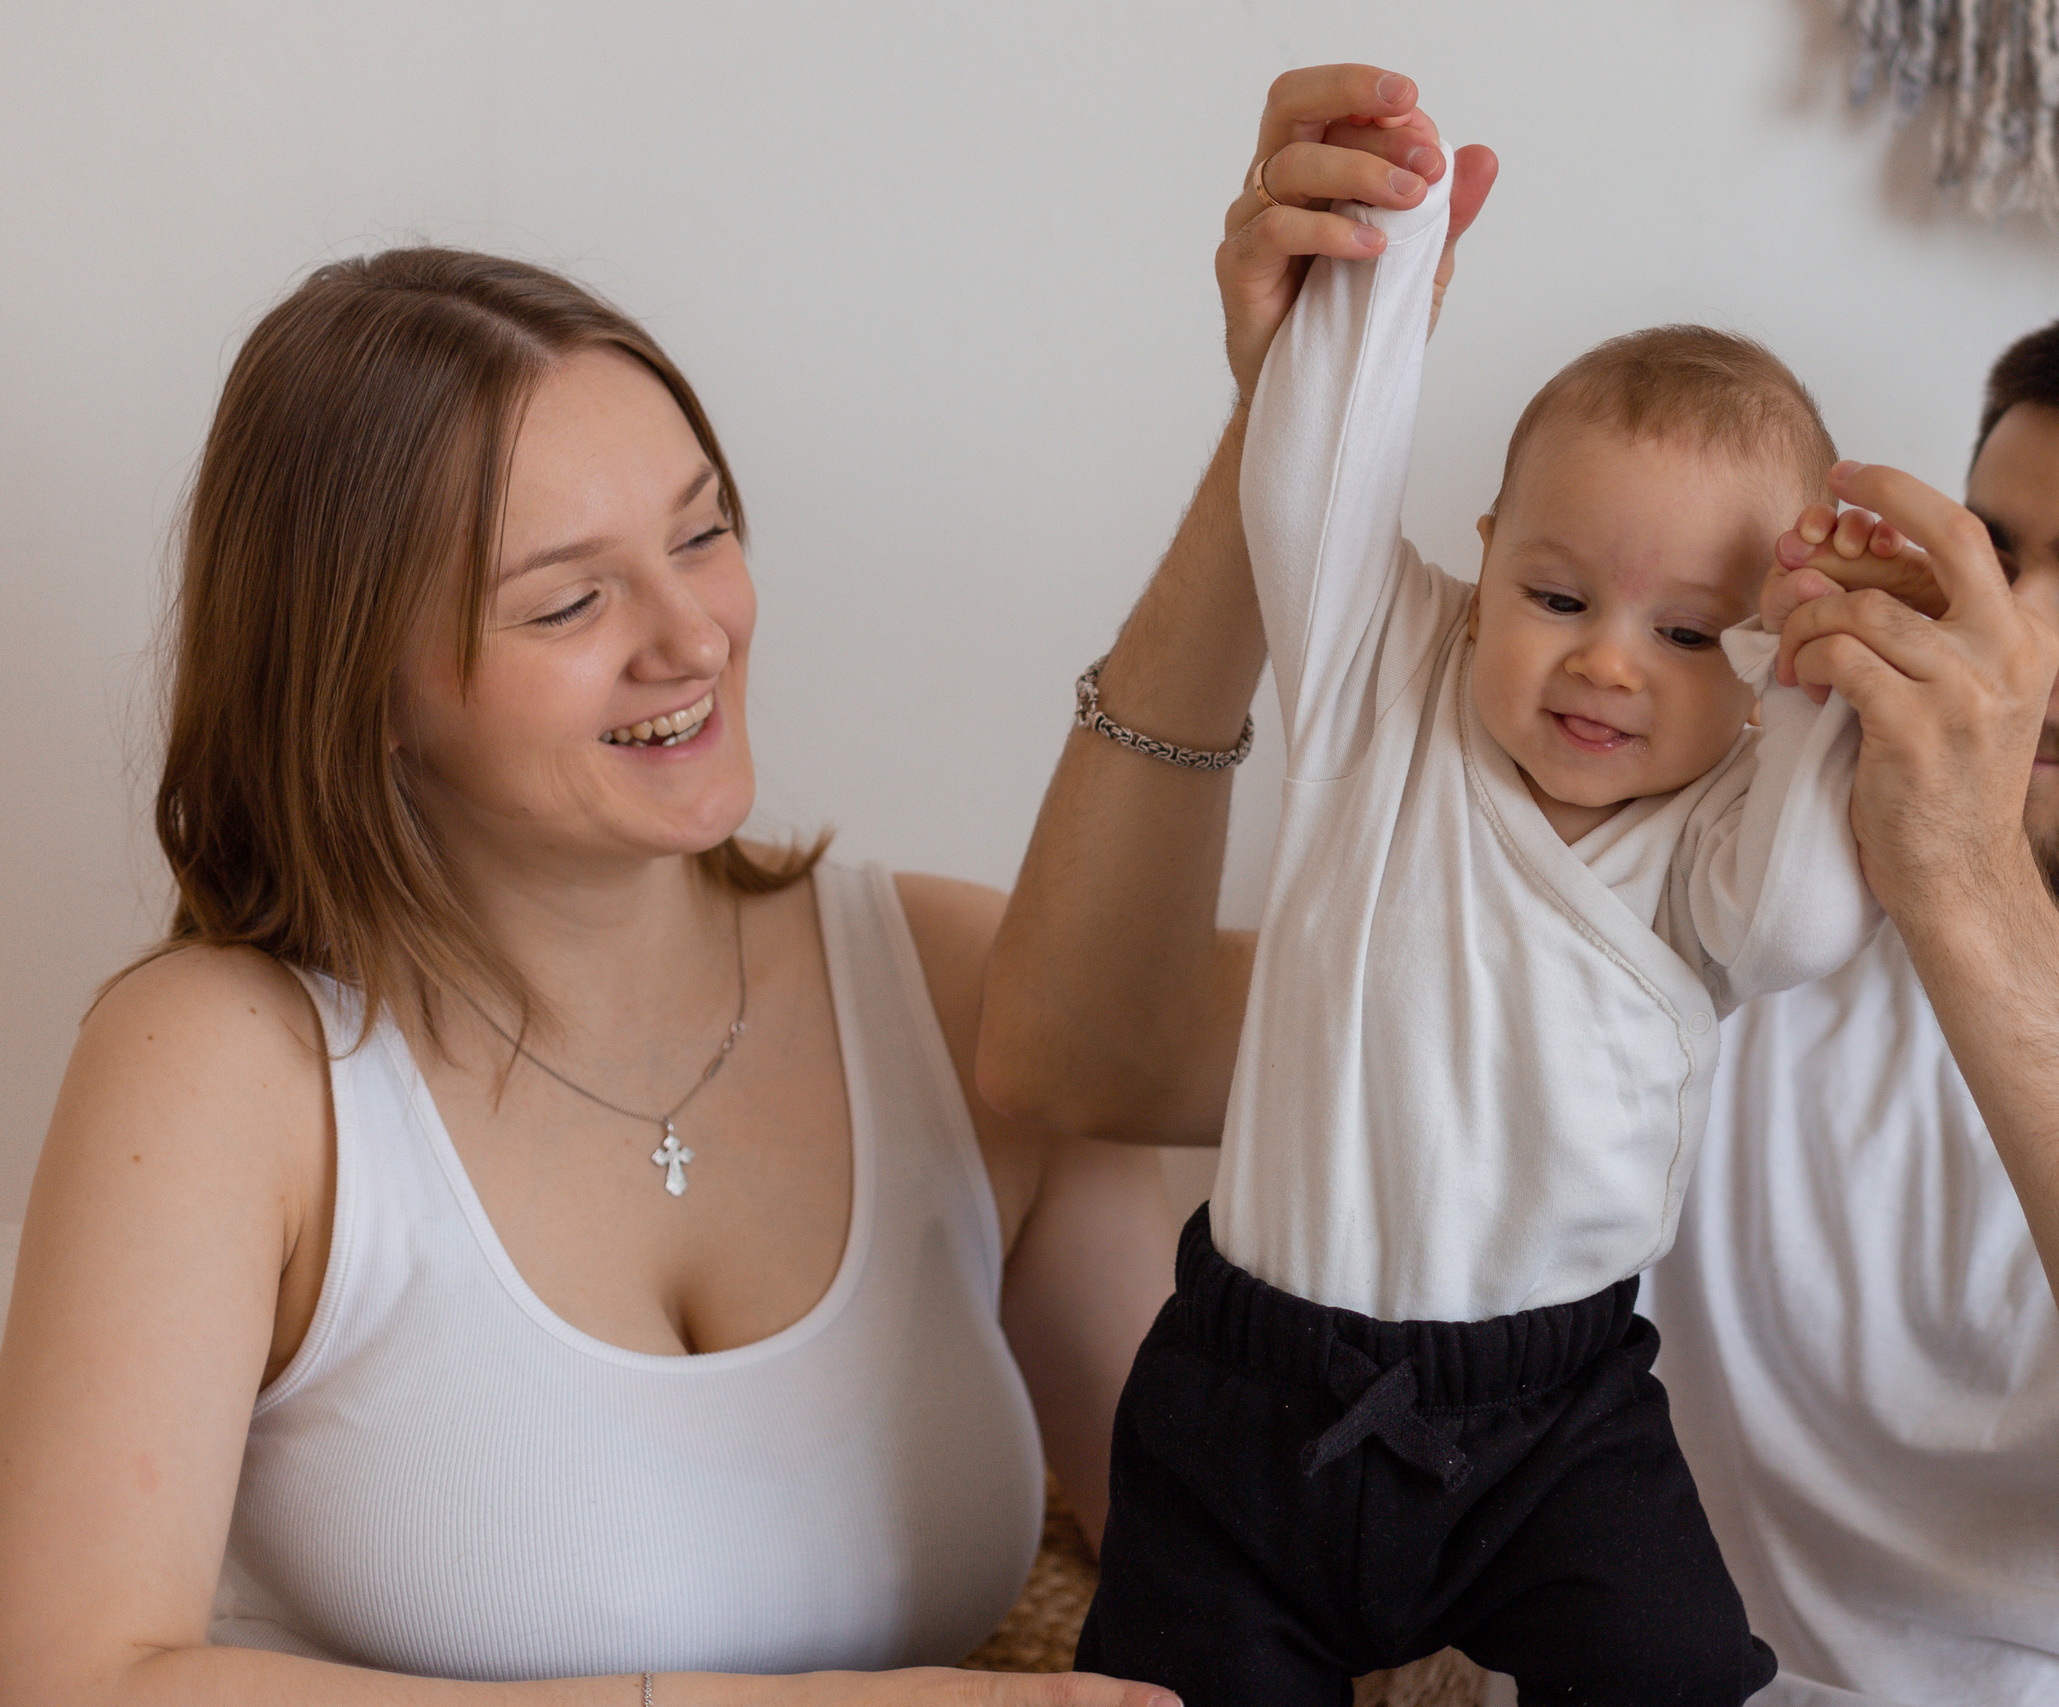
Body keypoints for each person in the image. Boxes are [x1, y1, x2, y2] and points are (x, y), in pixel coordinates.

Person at [979, 64, 2059, 1706]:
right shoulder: (1692, 913)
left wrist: (1965, 890)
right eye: (1990, 566)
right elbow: (1078, 1055)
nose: (2005, 651)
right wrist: (1284, 426)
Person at [0, 248, 1177, 1706]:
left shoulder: (960, 987)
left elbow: (1234, 1563)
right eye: (568, 606)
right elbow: (74, 1678)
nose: (693, 639)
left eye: (702, 535)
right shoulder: (224, 1065)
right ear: (358, 690)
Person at [1064, 137, 1881, 1697]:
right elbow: (1307, 481)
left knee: (1674, 1670)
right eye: (1560, 597)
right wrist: (1370, 283)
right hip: (1253, 1393)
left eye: (1697, 633)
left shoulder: (1722, 829)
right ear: (1486, 557)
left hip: (1550, 1418)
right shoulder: (1394, 681)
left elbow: (1803, 926)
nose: (1609, 664)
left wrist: (1829, 682)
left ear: (1773, 659)